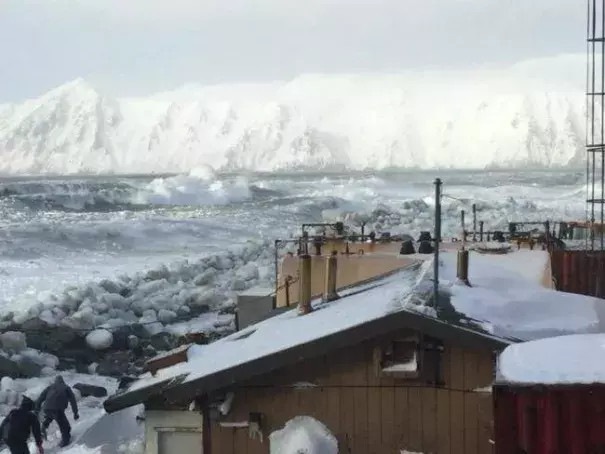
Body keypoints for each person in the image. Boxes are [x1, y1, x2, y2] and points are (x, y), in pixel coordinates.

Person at [35, 376, 79, 448]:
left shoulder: (50, 387)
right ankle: (65, 444)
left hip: (47, 408)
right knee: (65, 427)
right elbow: (73, 401)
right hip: (57, 409)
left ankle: (44, 426)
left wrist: (36, 410)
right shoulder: (66, 387)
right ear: (63, 381)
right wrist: (75, 413)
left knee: (50, 415)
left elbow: (40, 398)